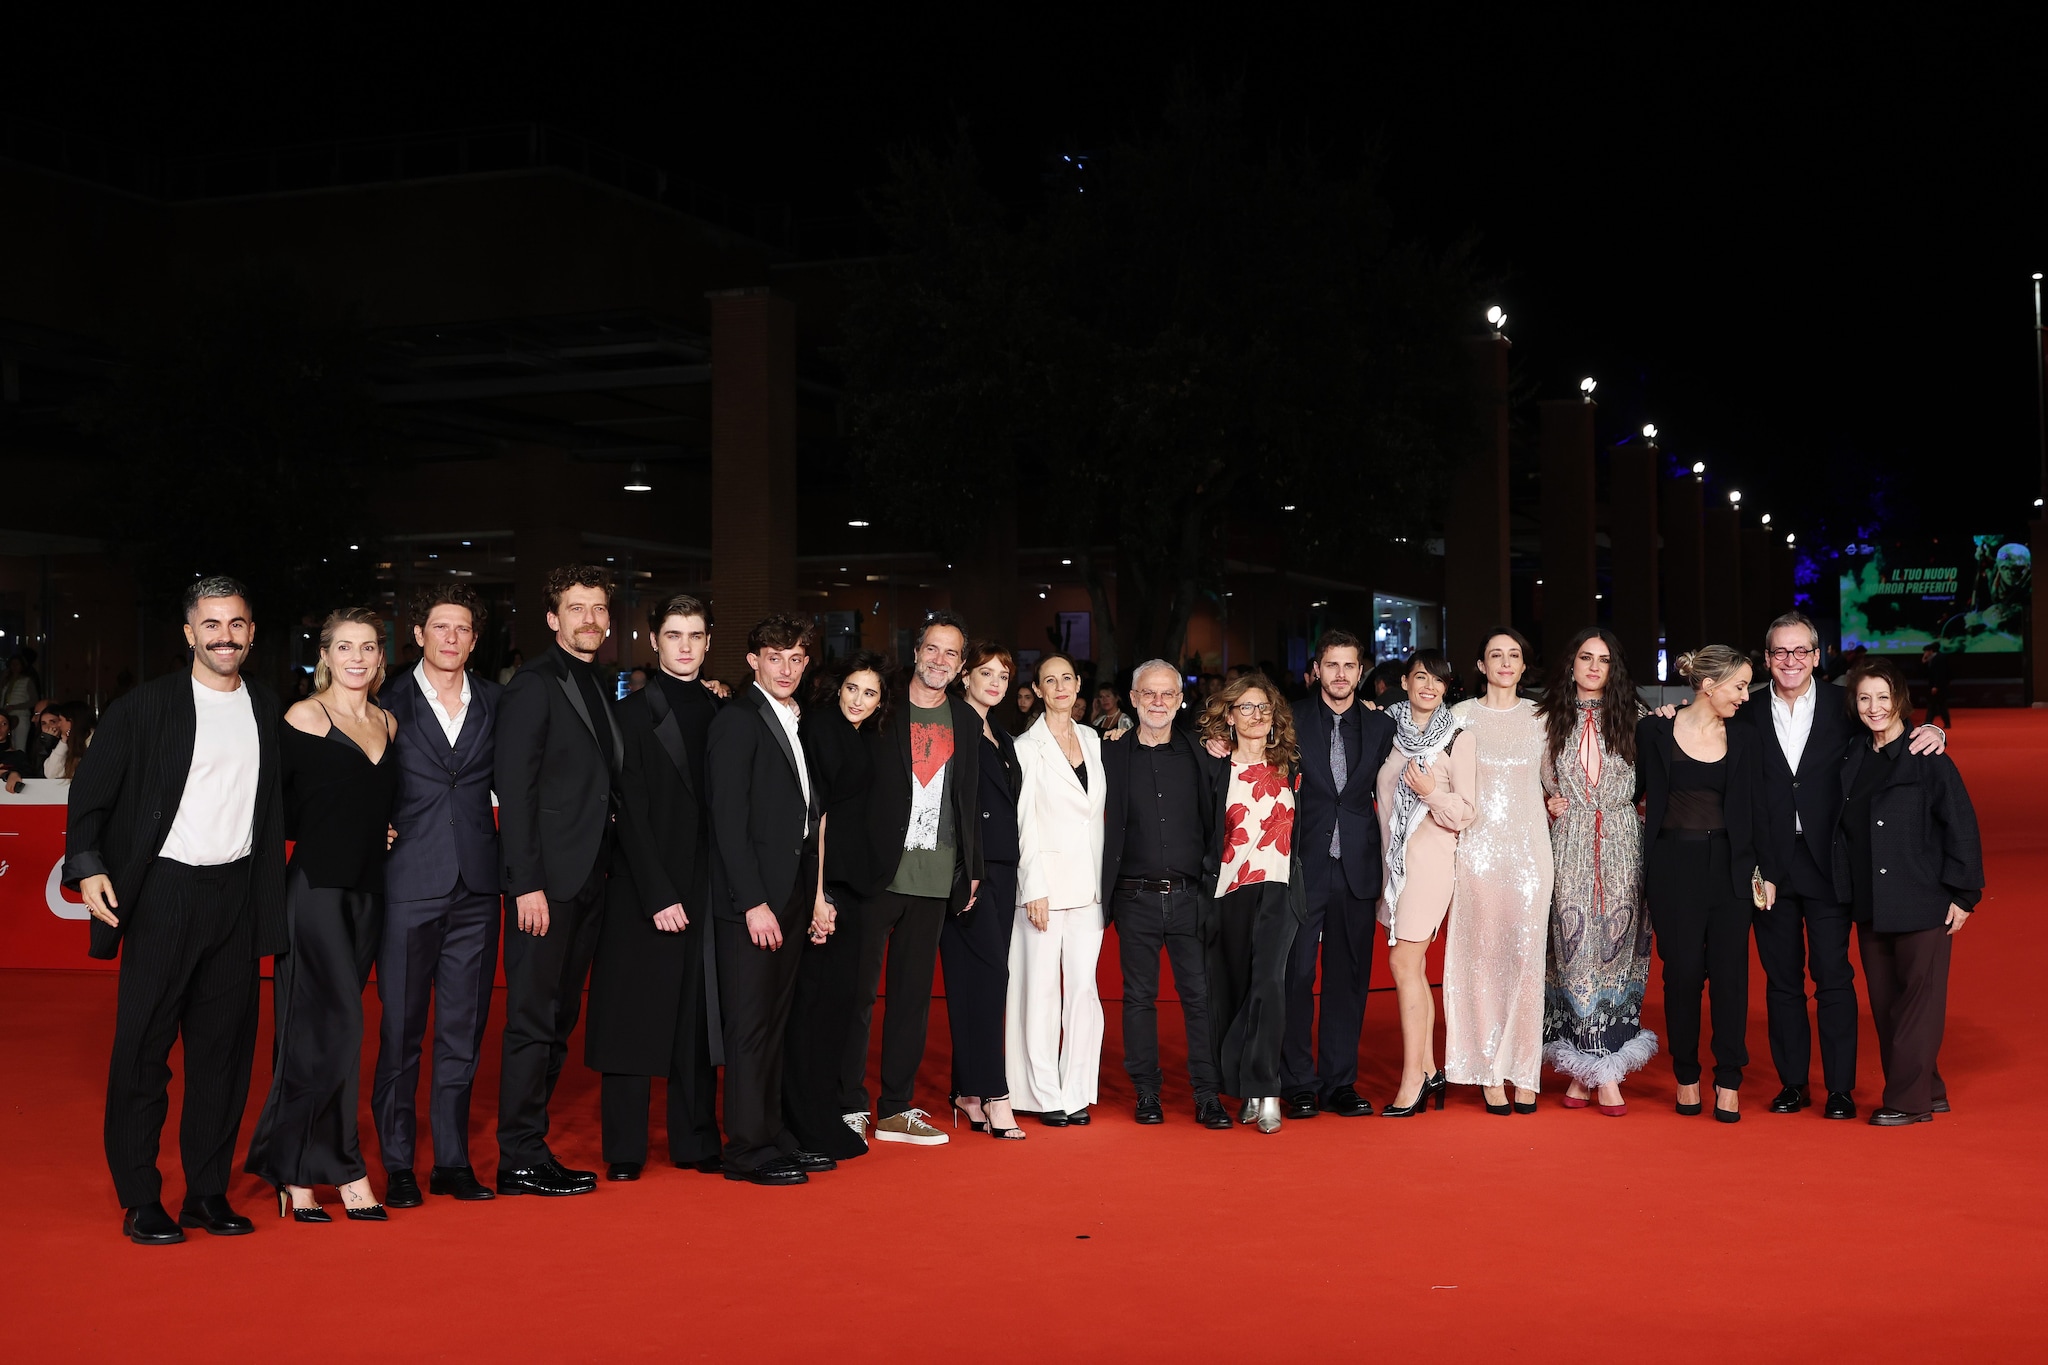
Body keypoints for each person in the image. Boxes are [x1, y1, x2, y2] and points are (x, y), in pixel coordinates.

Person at [67, 577, 287, 1245]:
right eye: (211, 624)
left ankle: (207, 1192)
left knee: (223, 1056)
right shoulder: (146, 706)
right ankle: (140, 1197)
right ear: (189, 633)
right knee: (143, 1051)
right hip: (164, 894)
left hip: (238, 896)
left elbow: (288, 799)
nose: (226, 635)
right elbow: (91, 794)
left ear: (252, 632)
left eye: (237, 623)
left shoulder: (266, 707)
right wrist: (87, 863)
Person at [1734, 612, 1947, 1122]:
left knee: (1833, 977)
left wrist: (1933, 730)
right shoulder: (1742, 711)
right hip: (1770, 868)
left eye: (1800, 651)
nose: (1790, 661)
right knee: (1782, 981)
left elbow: (1888, 727)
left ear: (1816, 656)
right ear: (1767, 659)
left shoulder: (1842, 705)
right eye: (1780, 652)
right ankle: (1792, 1083)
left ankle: (1840, 1089)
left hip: (1831, 864)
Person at [245, 607, 401, 1220]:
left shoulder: (388, 721)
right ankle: (343, 1170)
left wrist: (377, 830)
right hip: (313, 895)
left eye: (367, 647)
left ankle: (294, 1173)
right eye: (344, 647)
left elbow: (375, 800)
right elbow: (270, 806)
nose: (357, 657)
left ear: (379, 656)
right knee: (334, 1033)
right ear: (325, 657)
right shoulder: (303, 717)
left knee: (320, 1035)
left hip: (368, 894)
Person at [585, 595, 726, 1181]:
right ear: (655, 642)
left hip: (708, 885)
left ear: (709, 642)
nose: (686, 646)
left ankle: (695, 1141)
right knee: (630, 1014)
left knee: (697, 1015)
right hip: (645, 887)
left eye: (695, 635)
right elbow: (628, 812)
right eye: (674, 635)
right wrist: (658, 892)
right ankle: (625, 1149)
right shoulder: (630, 715)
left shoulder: (729, 711)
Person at [371, 583, 503, 1207]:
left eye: (463, 629)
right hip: (406, 883)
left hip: (478, 887)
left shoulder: (498, 703)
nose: (451, 639)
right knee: (400, 1029)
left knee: (462, 1029)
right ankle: (398, 1162)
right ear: (418, 635)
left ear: (475, 640)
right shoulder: (384, 702)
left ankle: (452, 1160)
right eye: (439, 628)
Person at [493, 565, 623, 1197]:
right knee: (530, 1019)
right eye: (576, 609)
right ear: (552, 618)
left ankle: (530, 1142)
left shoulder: (597, 684)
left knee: (560, 1016)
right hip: (546, 884)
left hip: (590, 879)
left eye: (598, 608)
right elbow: (514, 792)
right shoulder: (534, 686)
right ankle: (517, 1155)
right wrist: (526, 883)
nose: (590, 620)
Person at [841, 611, 981, 1146]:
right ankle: (847, 1102)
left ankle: (896, 1107)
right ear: (915, 650)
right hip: (876, 875)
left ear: (960, 665)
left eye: (951, 653)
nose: (939, 660)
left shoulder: (965, 720)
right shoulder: (883, 706)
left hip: (935, 876)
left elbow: (967, 799)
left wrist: (971, 870)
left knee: (911, 1000)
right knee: (856, 995)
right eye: (932, 649)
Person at [707, 614, 835, 1185]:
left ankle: (772, 1133)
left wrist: (809, 898)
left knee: (776, 1025)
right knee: (751, 1028)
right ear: (753, 659)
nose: (786, 668)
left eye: (797, 658)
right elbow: (728, 822)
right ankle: (745, 1149)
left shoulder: (793, 718)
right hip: (754, 903)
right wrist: (752, 902)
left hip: (788, 896)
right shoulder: (738, 721)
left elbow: (802, 818)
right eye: (775, 656)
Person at [1835, 658, 1983, 1125]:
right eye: (1864, 698)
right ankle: (1930, 1088)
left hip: (1924, 900)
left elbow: (1961, 825)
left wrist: (1964, 895)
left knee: (1918, 1005)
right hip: (1871, 902)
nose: (1874, 707)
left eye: (1883, 697)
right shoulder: (1853, 755)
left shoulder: (1927, 756)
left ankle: (1907, 1101)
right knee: (1886, 1008)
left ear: (1900, 699)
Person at [1637, 646, 1776, 1123]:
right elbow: (1628, 792)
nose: (1744, 695)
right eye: (1738, 686)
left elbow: (1760, 811)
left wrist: (1766, 873)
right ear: (1707, 685)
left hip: (1731, 868)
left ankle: (1730, 1078)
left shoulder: (1746, 737)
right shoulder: (1654, 729)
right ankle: (1686, 1074)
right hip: (1672, 866)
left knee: (1731, 978)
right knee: (1681, 976)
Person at [1101, 659, 1231, 1129]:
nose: (1158, 702)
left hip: (1190, 896)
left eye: (1167, 695)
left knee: (1200, 998)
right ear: (1132, 699)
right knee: (1137, 999)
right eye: (1148, 694)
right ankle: (1146, 1092)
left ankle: (1206, 1095)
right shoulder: (1108, 752)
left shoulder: (1203, 752)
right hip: (1132, 897)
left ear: (1180, 700)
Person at [1539, 626, 1657, 1110]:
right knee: (1573, 956)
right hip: (1566, 844)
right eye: (1585, 657)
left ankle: (1589, 1072)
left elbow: (1659, 781)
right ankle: (1595, 1070)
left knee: (1616, 953)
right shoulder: (1545, 720)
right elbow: (1513, 775)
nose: (1593, 667)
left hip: (1623, 846)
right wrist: (1544, 800)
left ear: (1614, 668)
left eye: (1603, 660)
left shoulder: (1640, 719)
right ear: (1571, 663)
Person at [1280, 630, 1395, 1120]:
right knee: (1297, 975)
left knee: (1349, 979)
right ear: (1317, 670)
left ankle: (1339, 1082)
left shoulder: (1382, 726)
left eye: (1350, 666)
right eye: (1332, 665)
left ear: (1361, 671)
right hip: (1302, 866)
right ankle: (1298, 1083)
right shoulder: (1288, 720)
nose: (1341, 675)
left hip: (1357, 867)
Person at [1445, 629, 1554, 1114]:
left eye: (1514, 655)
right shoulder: (1460, 716)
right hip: (1478, 852)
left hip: (1532, 852)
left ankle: (1523, 1067)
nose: (1506, 662)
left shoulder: (1542, 718)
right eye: (1496, 655)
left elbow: (1556, 776)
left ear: (1523, 666)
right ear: (1481, 665)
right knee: (1482, 957)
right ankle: (1488, 1067)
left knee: (1528, 958)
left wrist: (1558, 799)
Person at [789, 652, 890, 1158]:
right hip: (826, 885)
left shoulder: (863, 734)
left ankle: (824, 1111)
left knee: (841, 1004)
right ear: (837, 687)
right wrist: (819, 895)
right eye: (853, 688)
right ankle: (805, 1119)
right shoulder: (822, 729)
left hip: (856, 885)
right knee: (816, 1004)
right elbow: (817, 818)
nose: (859, 700)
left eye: (870, 693)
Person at [1197, 673, 1303, 1132]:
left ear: (1274, 715)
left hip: (1279, 889)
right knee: (1235, 989)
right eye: (1245, 707)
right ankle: (1244, 1085)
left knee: (1269, 987)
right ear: (1230, 716)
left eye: (1263, 707)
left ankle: (1269, 1090)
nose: (1256, 716)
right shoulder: (1213, 765)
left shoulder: (1293, 765)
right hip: (1228, 890)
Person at [1373, 650, 1475, 1115]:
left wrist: (1431, 792)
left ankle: (1413, 1077)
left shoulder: (1458, 737)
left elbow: (1467, 812)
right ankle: (1431, 1070)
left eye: (1438, 680)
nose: (1428, 686)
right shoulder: (1384, 728)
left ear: (1447, 686)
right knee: (1411, 969)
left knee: (1401, 962)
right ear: (1405, 681)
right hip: (1391, 865)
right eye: (1420, 677)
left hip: (1432, 863)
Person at [1009, 652, 1107, 1126]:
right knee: (1041, 993)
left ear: (1077, 685)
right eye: (1051, 680)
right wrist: (1033, 888)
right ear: (1039, 691)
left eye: (1067, 677)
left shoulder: (1092, 739)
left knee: (1083, 993)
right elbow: (1024, 824)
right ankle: (1045, 1093)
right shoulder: (1026, 747)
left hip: (1089, 888)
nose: (1061, 686)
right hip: (1044, 889)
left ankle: (1077, 1090)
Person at [943, 643, 1027, 1140]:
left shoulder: (1004, 737)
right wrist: (964, 870)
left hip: (1003, 870)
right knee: (990, 976)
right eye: (985, 672)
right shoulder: (955, 727)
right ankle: (995, 1095)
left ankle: (968, 1090)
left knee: (975, 981)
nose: (995, 681)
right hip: (967, 872)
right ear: (964, 676)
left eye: (1004, 674)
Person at [1, 651, 39, 748]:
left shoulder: (27, 681)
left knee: (20, 745)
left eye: (17, 664)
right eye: (12, 664)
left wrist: (15, 707)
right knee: (9, 745)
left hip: (21, 716)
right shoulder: (7, 681)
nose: (14, 666)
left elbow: (34, 700)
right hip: (6, 716)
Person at [1920, 642, 1953, 727]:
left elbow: (1940, 673)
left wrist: (1936, 686)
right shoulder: (1932, 658)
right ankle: (1929, 723)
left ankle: (1945, 723)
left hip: (1939, 686)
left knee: (1940, 705)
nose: (1925, 653)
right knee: (1933, 705)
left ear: (1930, 651)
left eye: (1926, 651)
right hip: (1935, 686)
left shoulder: (1940, 658)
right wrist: (1924, 661)